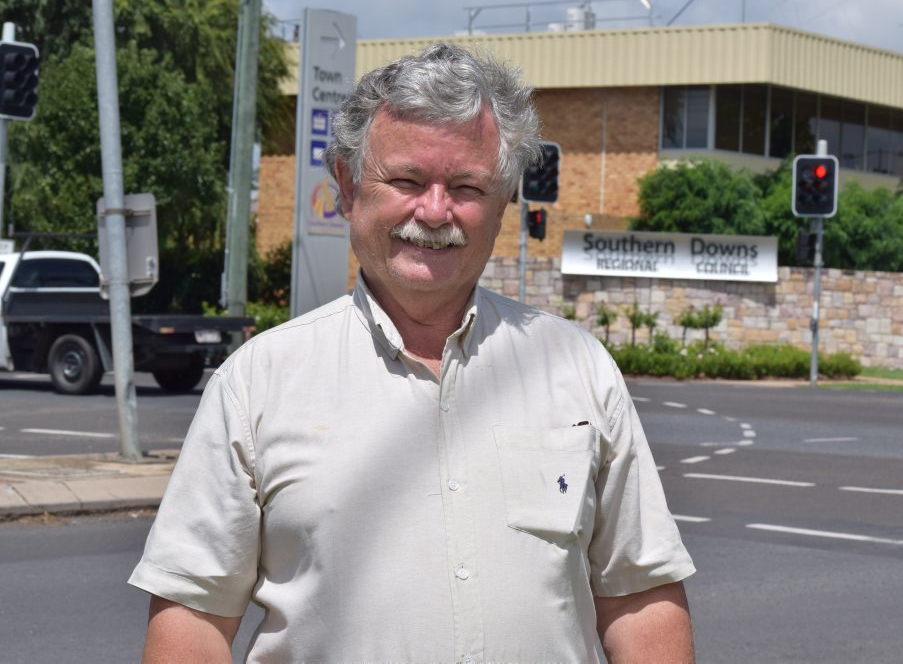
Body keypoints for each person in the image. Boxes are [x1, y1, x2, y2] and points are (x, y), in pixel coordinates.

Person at [129, 42, 696, 663]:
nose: (434, 211)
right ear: (348, 185)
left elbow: (640, 597)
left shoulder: (578, 368)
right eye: (406, 180)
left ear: (504, 200)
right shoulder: (258, 384)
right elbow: (193, 621)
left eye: (466, 186)